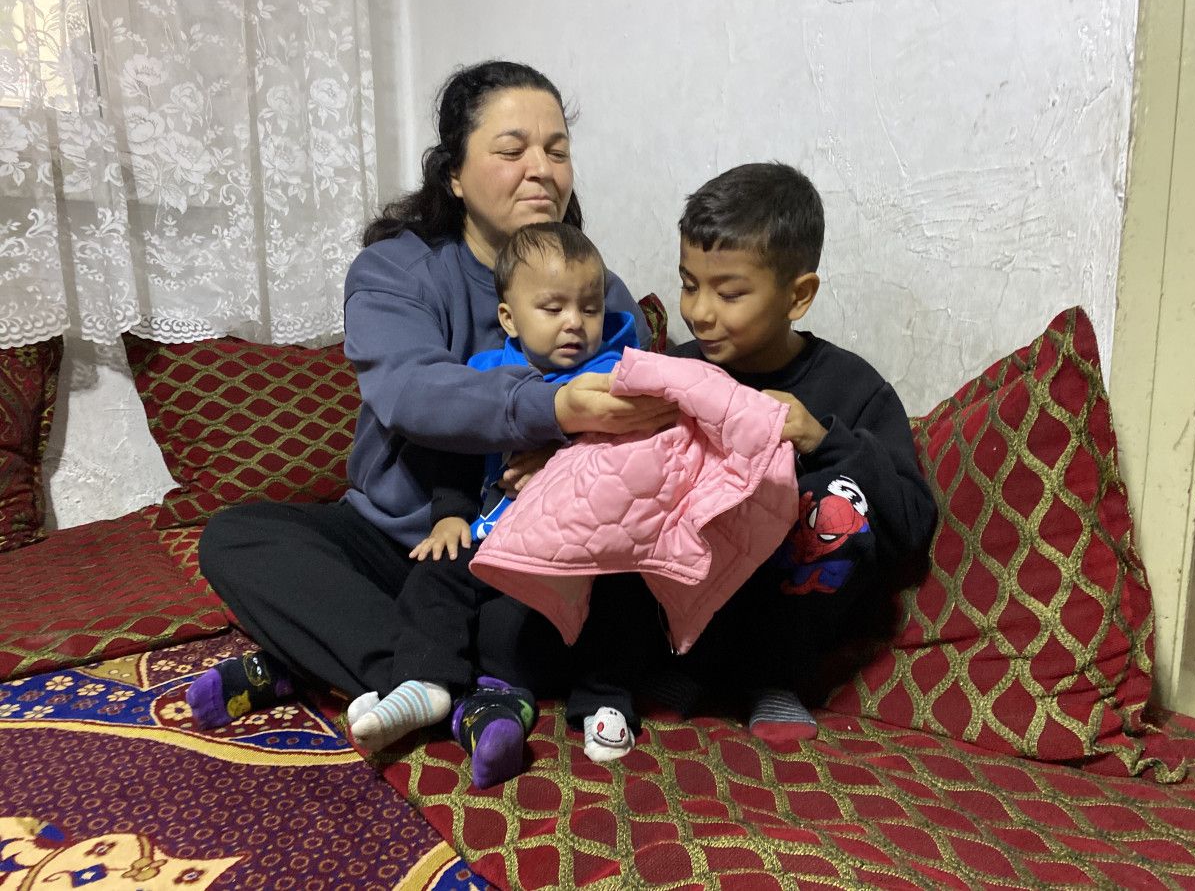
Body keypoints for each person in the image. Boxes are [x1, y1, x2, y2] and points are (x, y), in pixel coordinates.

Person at [189, 61, 676, 788]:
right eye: (512, 150)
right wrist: (554, 411)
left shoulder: (596, 289)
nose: (541, 170)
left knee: (605, 603)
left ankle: (342, 665)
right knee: (238, 537)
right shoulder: (394, 272)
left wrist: (569, 452)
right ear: (453, 174)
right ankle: (449, 683)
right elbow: (413, 393)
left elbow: (647, 412)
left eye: (557, 150)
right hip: (401, 541)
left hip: (527, 555)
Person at [640, 162, 937, 742]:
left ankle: (771, 681)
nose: (700, 312)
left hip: (790, 629)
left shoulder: (854, 389)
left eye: (729, 293)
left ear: (798, 296)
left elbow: (911, 524)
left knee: (833, 504)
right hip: (678, 623)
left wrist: (821, 440)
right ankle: (686, 668)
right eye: (689, 284)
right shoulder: (675, 373)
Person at [353, 221, 645, 765]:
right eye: (552, 308)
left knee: (622, 592)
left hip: (584, 545)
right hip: (497, 539)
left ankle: (607, 701)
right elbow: (457, 449)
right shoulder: (486, 370)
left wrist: (565, 453)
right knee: (438, 572)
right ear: (509, 317)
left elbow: (643, 452)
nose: (574, 323)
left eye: (589, 308)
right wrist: (450, 516)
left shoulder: (618, 372)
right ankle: (425, 681)